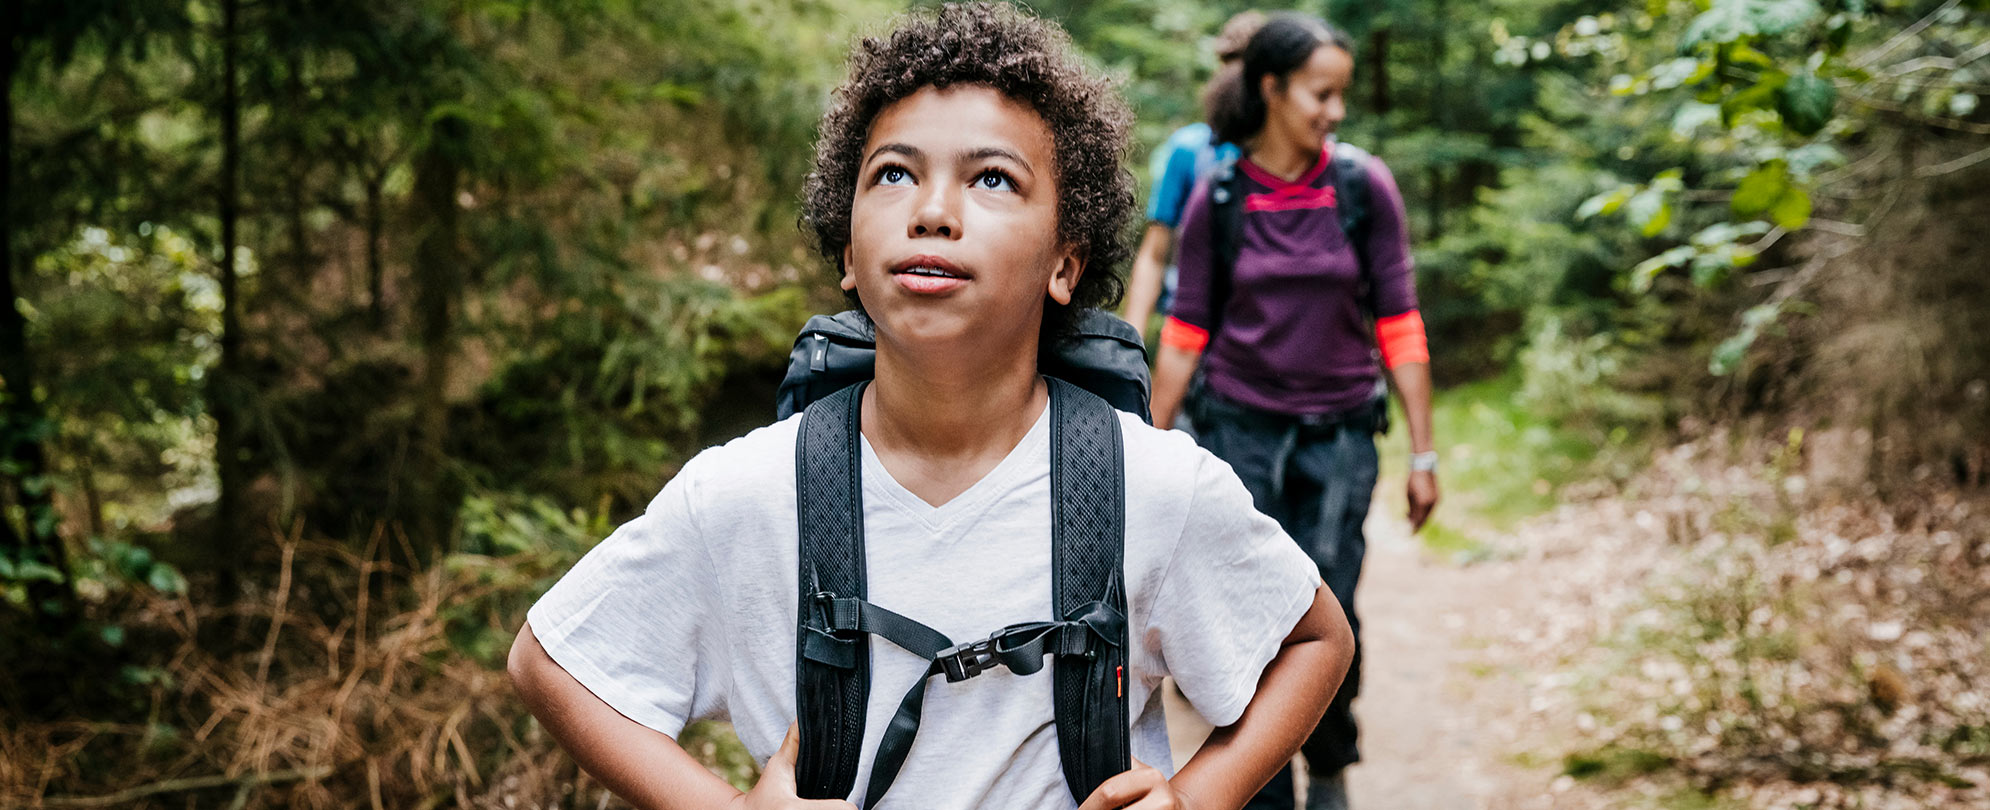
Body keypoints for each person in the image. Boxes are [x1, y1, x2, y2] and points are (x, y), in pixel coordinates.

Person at [506, 5, 1356, 809]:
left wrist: (1203, 798)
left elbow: (1314, 639)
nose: (933, 212)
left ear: (1066, 263)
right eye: (893, 175)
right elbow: (554, 659)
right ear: (848, 249)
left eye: (992, 178)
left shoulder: (1154, 486)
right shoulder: (745, 494)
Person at [1147, 13, 1440, 810]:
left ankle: (1332, 760)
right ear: (1272, 89)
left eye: (1341, 94)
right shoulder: (1222, 192)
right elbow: (1187, 331)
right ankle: (1264, 786)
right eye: (1321, 93)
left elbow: (1401, 322)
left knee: (1329, 604)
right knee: (1246, 619)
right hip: (1239, 429)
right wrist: (1142, 444)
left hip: (1341, 435)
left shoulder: (1360, 186)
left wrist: (1423, 453)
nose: (1334, 111)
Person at [1119, 11, 1265, 337]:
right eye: (1229, 64)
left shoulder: (1289, 155)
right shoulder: (1189, 150)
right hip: (1191, 328)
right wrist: (1130, 342)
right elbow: (1155, 253)